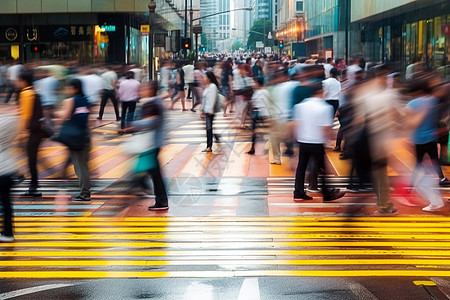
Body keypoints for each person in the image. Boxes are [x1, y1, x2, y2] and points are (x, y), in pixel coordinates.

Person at [291, 82, 345, 201]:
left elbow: (296, 124)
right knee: (322, 167)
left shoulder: (300, 105)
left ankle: (298, 191)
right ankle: (327, 193)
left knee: (301, 167)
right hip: (316, 142)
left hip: (303, 141)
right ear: (320, 92)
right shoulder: (325, 107)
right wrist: (329, 140)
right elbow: (325, 128)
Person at [121, 81, 169, 211]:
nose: (141, 90)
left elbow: (152, 121)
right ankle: (154, 194)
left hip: (151, 144)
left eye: (144, 88)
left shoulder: (154, 103)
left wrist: (134, 125)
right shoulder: (150, 102)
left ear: (151, 90)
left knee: (154, 173)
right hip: (150, 143)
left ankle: (160, 199)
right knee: (153, 173)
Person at [57, 79, 91, 201]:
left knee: (80, 167)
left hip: (75, 136)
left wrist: (58, 112)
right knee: (83, 165)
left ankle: (85, 194)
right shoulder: (86, 100)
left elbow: (64, 116)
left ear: (74, 88)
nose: (67, 90)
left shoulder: (71, 100)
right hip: (85, 134)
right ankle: (84, 192)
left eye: (69, 87)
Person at [17, 70, 45, 197]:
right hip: (38, 131)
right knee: (31, 159)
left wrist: (22, 133)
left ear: (24, 81)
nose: (17, 83)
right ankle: (30, 183)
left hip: (32, 132)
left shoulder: (25, 93)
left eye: (19, 80)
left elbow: (26, 115)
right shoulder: (34, 92)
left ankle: (32, 186)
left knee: (31, 160)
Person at [0, 114, 19, 242]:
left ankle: (7, 233)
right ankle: (8, 233)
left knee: (5, 203)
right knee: (6, 203)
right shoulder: (10, 122)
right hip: (9, 168)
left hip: (1, 169)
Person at [247, 77, 270, 155]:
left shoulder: (264, 92)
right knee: (254, 132)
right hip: (257, 113)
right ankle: (252, 148)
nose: (254, 84)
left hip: (263, 113)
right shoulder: (256, 92)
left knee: (266, 132)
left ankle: (268, 146)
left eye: (255, 82)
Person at [200, 71, 221, 153]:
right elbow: (204, 100)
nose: (203, 79)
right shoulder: (208, 86)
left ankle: (209, 147)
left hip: (209, 111)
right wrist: (202, 110)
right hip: (207, 110)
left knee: (209, 129)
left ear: (209, 78)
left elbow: (212, 99)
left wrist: (210, 110)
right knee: (209, 128)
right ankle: (210, 145)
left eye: (204, 77)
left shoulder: (212, 87)